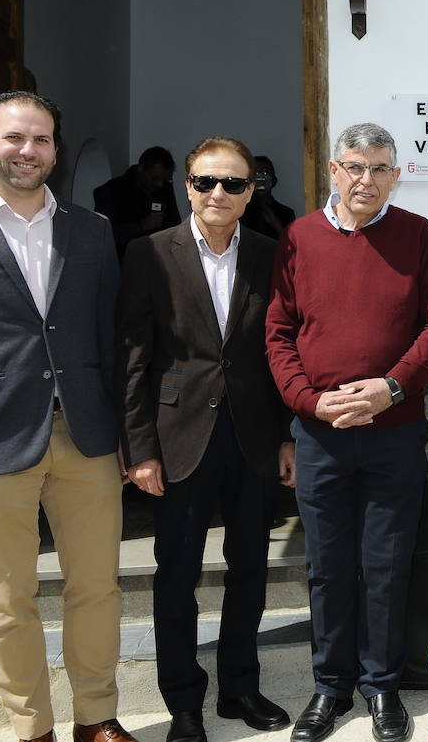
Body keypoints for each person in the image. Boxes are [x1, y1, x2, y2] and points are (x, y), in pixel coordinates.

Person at [0, 91, 139, 742]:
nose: (28, 150)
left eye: (41, 139)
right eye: (15, 137)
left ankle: (96, 716)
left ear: (55, 149)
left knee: (97, 586)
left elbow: (111, 339)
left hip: (88, 438)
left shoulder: (90, 228)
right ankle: (31, 727)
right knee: (8, 599)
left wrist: (131, 437)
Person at [266, 123, 428, 742]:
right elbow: (279, 333)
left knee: (385, 564)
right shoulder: (298, 236)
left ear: (395, 176)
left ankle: (381, 688)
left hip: (393, 432)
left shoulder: (417, 235)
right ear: (333, 169)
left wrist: (389, 389)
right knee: (327, 568)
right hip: (321, 435)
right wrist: (313, 403)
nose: (365, 180)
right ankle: (330, 687)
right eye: (354, 167)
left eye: (379, 169)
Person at [116, 137, 295, 742]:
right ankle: (184, 703)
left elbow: (286, 352)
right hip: (177, 438)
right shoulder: (148, 253)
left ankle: (240, 688)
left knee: (250, 567)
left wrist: (289, 437)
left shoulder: (273, 254)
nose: (218, 194)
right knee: (177, 574)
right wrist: (139, 450)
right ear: (186, 185)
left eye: (233, 184)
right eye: (204, 182)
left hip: (255, 437)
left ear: (251, 191)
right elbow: (133, 359)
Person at [95, 145, 182, 261]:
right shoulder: (112, 191)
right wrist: (143, 225)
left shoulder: (165, 188)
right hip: (124, 265)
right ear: (141, 168)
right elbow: (103, 235)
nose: (160, 184)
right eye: (155, 179)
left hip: (159, 265)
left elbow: (175, 224)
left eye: (165, 180)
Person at [240, 154, 297, 239]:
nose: (261, 178)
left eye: (265, 172)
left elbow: (291, 245)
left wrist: (277, 226)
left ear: (274, 181)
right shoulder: (240, 212)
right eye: (256, 173)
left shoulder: (286, 214)